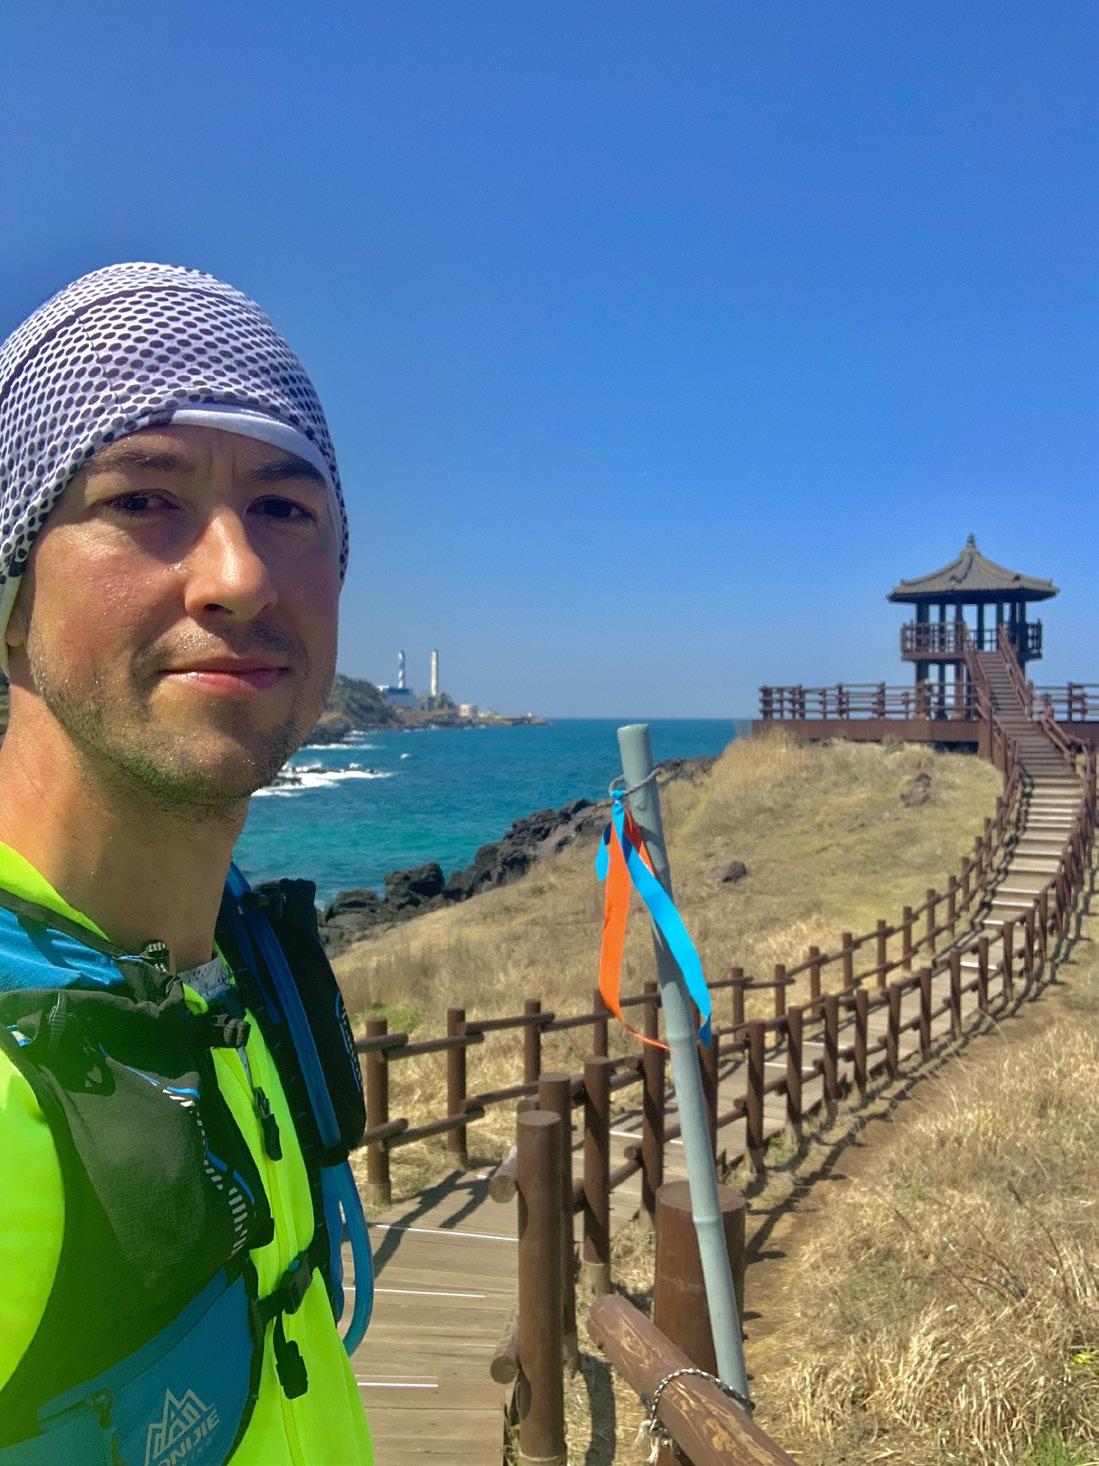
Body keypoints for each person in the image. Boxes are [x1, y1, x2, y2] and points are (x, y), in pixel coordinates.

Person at [0, 263, 374, 1464]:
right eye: (143, 497)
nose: (239, 575)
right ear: (11, 601)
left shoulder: (230, 965)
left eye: (285, 509)